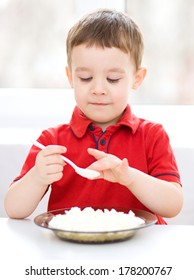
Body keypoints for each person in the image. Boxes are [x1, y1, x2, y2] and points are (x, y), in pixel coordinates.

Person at [4, 9, 183, 223]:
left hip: (140, 252)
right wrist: (37, 177)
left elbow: (173, 205)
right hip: (71, 252)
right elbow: (13, 209)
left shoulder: (152, 135)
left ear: (137, 78)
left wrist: (130, 178)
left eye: (113, 79)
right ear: (71, 77)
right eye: (86, 78)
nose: (98, 89)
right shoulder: (52, 141)